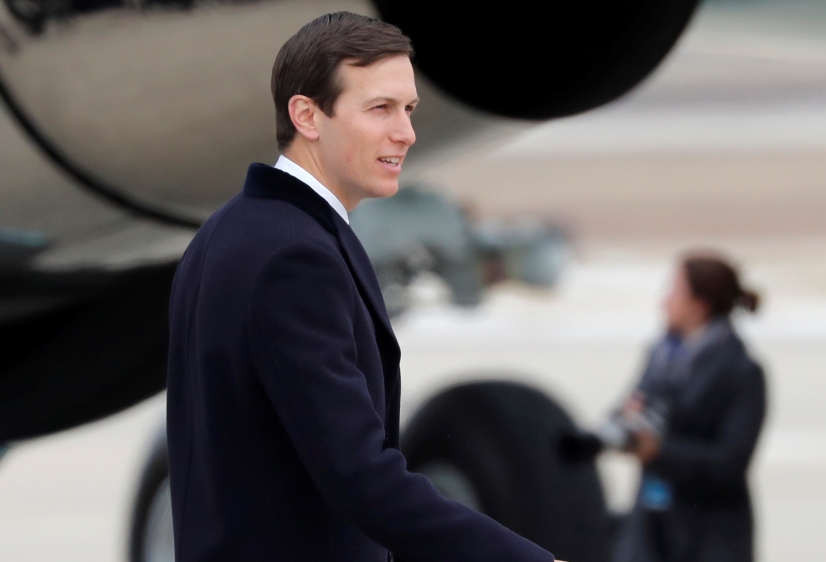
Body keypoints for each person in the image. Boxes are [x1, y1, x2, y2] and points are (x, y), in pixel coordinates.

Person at [166, 13, 557, 562]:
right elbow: (358, 475)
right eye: (380, 109)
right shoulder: (295, 258)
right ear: (306, 115)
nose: (406, 133)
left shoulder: (227, 231)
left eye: (409, 109)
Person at [613, 252, 767, 562]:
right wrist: (624, 422)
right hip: (651, 527)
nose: (664, 302)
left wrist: (659, 451)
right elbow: (624, 410)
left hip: (710, 535)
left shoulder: (742, 371)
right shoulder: (661, 357)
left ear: (699, 304)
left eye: (673, 291)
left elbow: (730, 462)